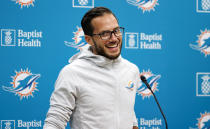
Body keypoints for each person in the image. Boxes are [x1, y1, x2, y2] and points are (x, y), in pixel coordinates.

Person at [44, 7, 141, 129]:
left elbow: (127, 113)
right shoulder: (72, 73)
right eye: (105, 34)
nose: (114, 38)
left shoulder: (131, 70)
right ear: (89, 40)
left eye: (116, 30)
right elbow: (55, 123)